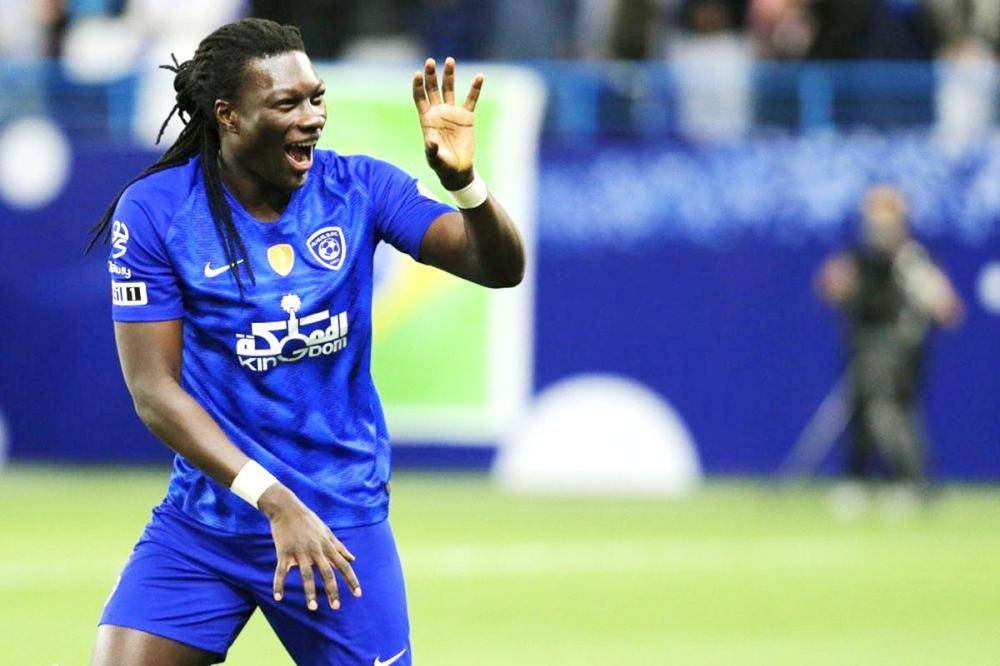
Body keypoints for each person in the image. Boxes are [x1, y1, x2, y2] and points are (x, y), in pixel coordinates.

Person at [87, 18, 523, 666]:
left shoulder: (359, 188)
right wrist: (273, 501)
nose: (312, 117)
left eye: (316, 98)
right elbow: (154, 392)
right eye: (287, 103)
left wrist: (464, 184)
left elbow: (498, 268)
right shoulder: (156, 211)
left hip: (335, 525)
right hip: (209, 525)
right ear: (229, 115)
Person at [816, 185, 961, 508]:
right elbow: (831, 289)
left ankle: (911, 482)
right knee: (860, 411)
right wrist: (835, 283)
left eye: (885, 219)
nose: (878, 227)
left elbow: (946, 306)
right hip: (862, 345)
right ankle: (858, 480)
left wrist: (930, 299)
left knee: (889, 411)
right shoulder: (859, 256)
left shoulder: (910, 258)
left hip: (898, 349)